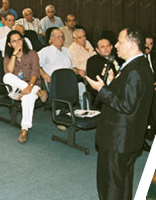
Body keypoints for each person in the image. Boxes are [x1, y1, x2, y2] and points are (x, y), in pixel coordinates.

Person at [85, 25, 154, 200]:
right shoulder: (139, 64)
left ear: (131, 44)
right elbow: (129, 95)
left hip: (118, 139)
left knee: (111, 186)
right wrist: (111, 83)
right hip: (128, 137)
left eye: (120, 42)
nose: (116, 45)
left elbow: (126, 104)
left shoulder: (135, 70)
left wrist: (102, 90)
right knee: (122, 182)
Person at [3, 30, 47, 143]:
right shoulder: (8, 56)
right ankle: (37, 93)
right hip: (16, 87)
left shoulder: (32, 53)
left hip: (33, 85)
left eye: (19, 40)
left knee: (27, 97)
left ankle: (24, 129)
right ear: (9, 44)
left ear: (23, 41)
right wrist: (14, 54)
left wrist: (30, 87)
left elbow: (35, 73)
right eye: (14, 41)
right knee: (7, 77)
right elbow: (8, 71)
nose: (17, 43)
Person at [38, 28, 86, 111]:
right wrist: (43, 74)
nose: (60, 39)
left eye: (62, 37)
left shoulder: (66, 51)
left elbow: (72, 67)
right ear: (52, 38)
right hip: (55, 84)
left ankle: (85, 112)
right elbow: (35, 64)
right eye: (58, 37)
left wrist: (78, 71)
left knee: (82, 87)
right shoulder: (45, 51)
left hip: (69, 82)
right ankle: (59, 118)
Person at [86, 37, 119, 109]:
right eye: (103, 47)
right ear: (97, 50)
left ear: (111, 47)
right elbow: (94, 83)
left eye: (108, 46)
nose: (106, 48)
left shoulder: (118, 58)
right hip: (101, 96)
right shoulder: (93, 61)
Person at [145, 34, 156, 143]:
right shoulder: (138, 59)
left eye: (151, 44)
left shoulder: (154, 56)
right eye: (146, 43)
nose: (148, 46)